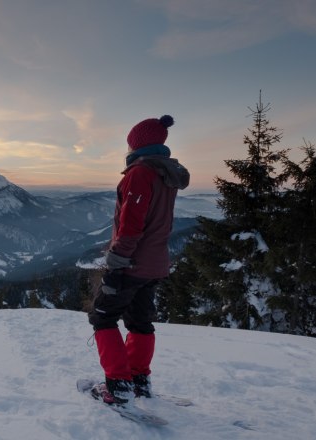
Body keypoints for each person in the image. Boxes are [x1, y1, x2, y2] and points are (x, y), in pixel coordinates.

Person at [88, 114, 190, 405]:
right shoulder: (166, 174)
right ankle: (138, 380)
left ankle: (118, 384)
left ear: (137, 144)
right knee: (140, 321)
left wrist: (116, 261)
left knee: (103, 316)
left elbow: (131, 226)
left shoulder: (140, 173)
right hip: (155, 263)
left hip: (132, 262)